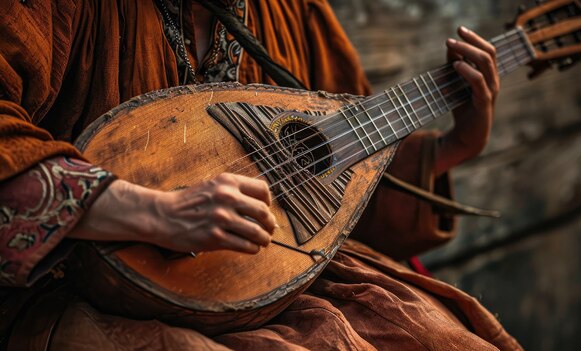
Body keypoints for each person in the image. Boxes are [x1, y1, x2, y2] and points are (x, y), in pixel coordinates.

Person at [0, 0, 522, 349]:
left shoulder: (291, 9)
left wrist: (456, 146)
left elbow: (343, 182)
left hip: (266, 284)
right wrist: (154, 212)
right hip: (73, 283)